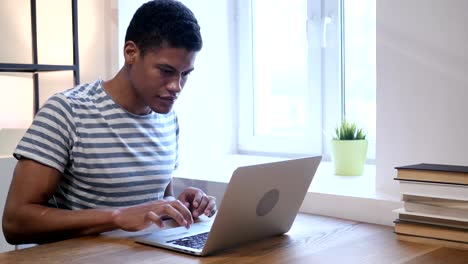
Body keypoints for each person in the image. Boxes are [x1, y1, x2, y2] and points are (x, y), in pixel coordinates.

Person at [2, 0, 216, 245]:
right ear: (131, 53)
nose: (176, 87)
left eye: (185, 74)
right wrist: (116, 217)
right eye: (166, 71)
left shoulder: (168, 118)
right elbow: (14, 223)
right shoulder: (67, 111)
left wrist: (176, 206)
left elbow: (155, 204)